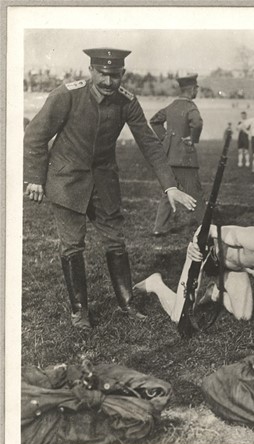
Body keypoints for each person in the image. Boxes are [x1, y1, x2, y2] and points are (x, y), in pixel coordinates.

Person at [23, 48, 197, 329]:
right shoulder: (66, 94)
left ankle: (127, 305)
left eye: (114, 75)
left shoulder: (127, 101)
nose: (107, 81)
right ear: (91, 70)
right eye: (102, 74)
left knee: (116, 241)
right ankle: (80, 313)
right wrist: (34, 177)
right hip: (66, 180)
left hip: (104, 183)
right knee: (72, 245)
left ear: (122, 75)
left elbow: (149, 144)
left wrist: (170, 187)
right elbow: (35, 135)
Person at [134, 225, 254, 338]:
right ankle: (155, 284)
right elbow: (209, 229)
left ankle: (214, 292)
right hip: (207, 256)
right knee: (178, 316)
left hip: (233, 269)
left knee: (243, 316)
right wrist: (194, 247)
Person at [150, 73, 204, 236]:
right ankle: (205, 227)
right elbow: (198, 123)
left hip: (169, 156)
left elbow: (154, 120)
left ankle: (159, 228)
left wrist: (165, 137)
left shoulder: (171, 106)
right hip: (185, 158)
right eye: (196, 89)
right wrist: (193, 139)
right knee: (195, 192)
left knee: (168, 191)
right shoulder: (190, 107)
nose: (197, 92)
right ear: (192, 89)